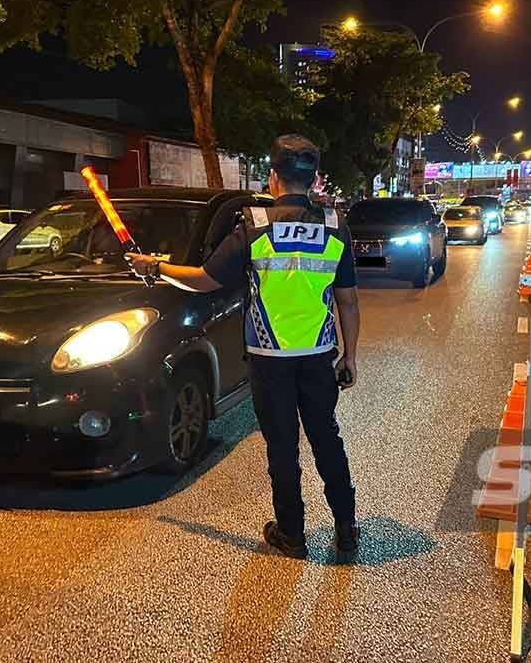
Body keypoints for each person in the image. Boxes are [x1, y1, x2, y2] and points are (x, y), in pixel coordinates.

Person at [126, 134, 361, 559]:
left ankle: (292, 534)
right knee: (327, 438)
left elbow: (204, 279)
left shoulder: (255, 225)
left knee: (283, 446)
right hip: (317, 355)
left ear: (273, 177)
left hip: (270, 360)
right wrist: (351, 356)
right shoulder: (334, 226)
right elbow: (347, 301)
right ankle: (346, 526)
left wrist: (156, 266)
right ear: (314, 180)